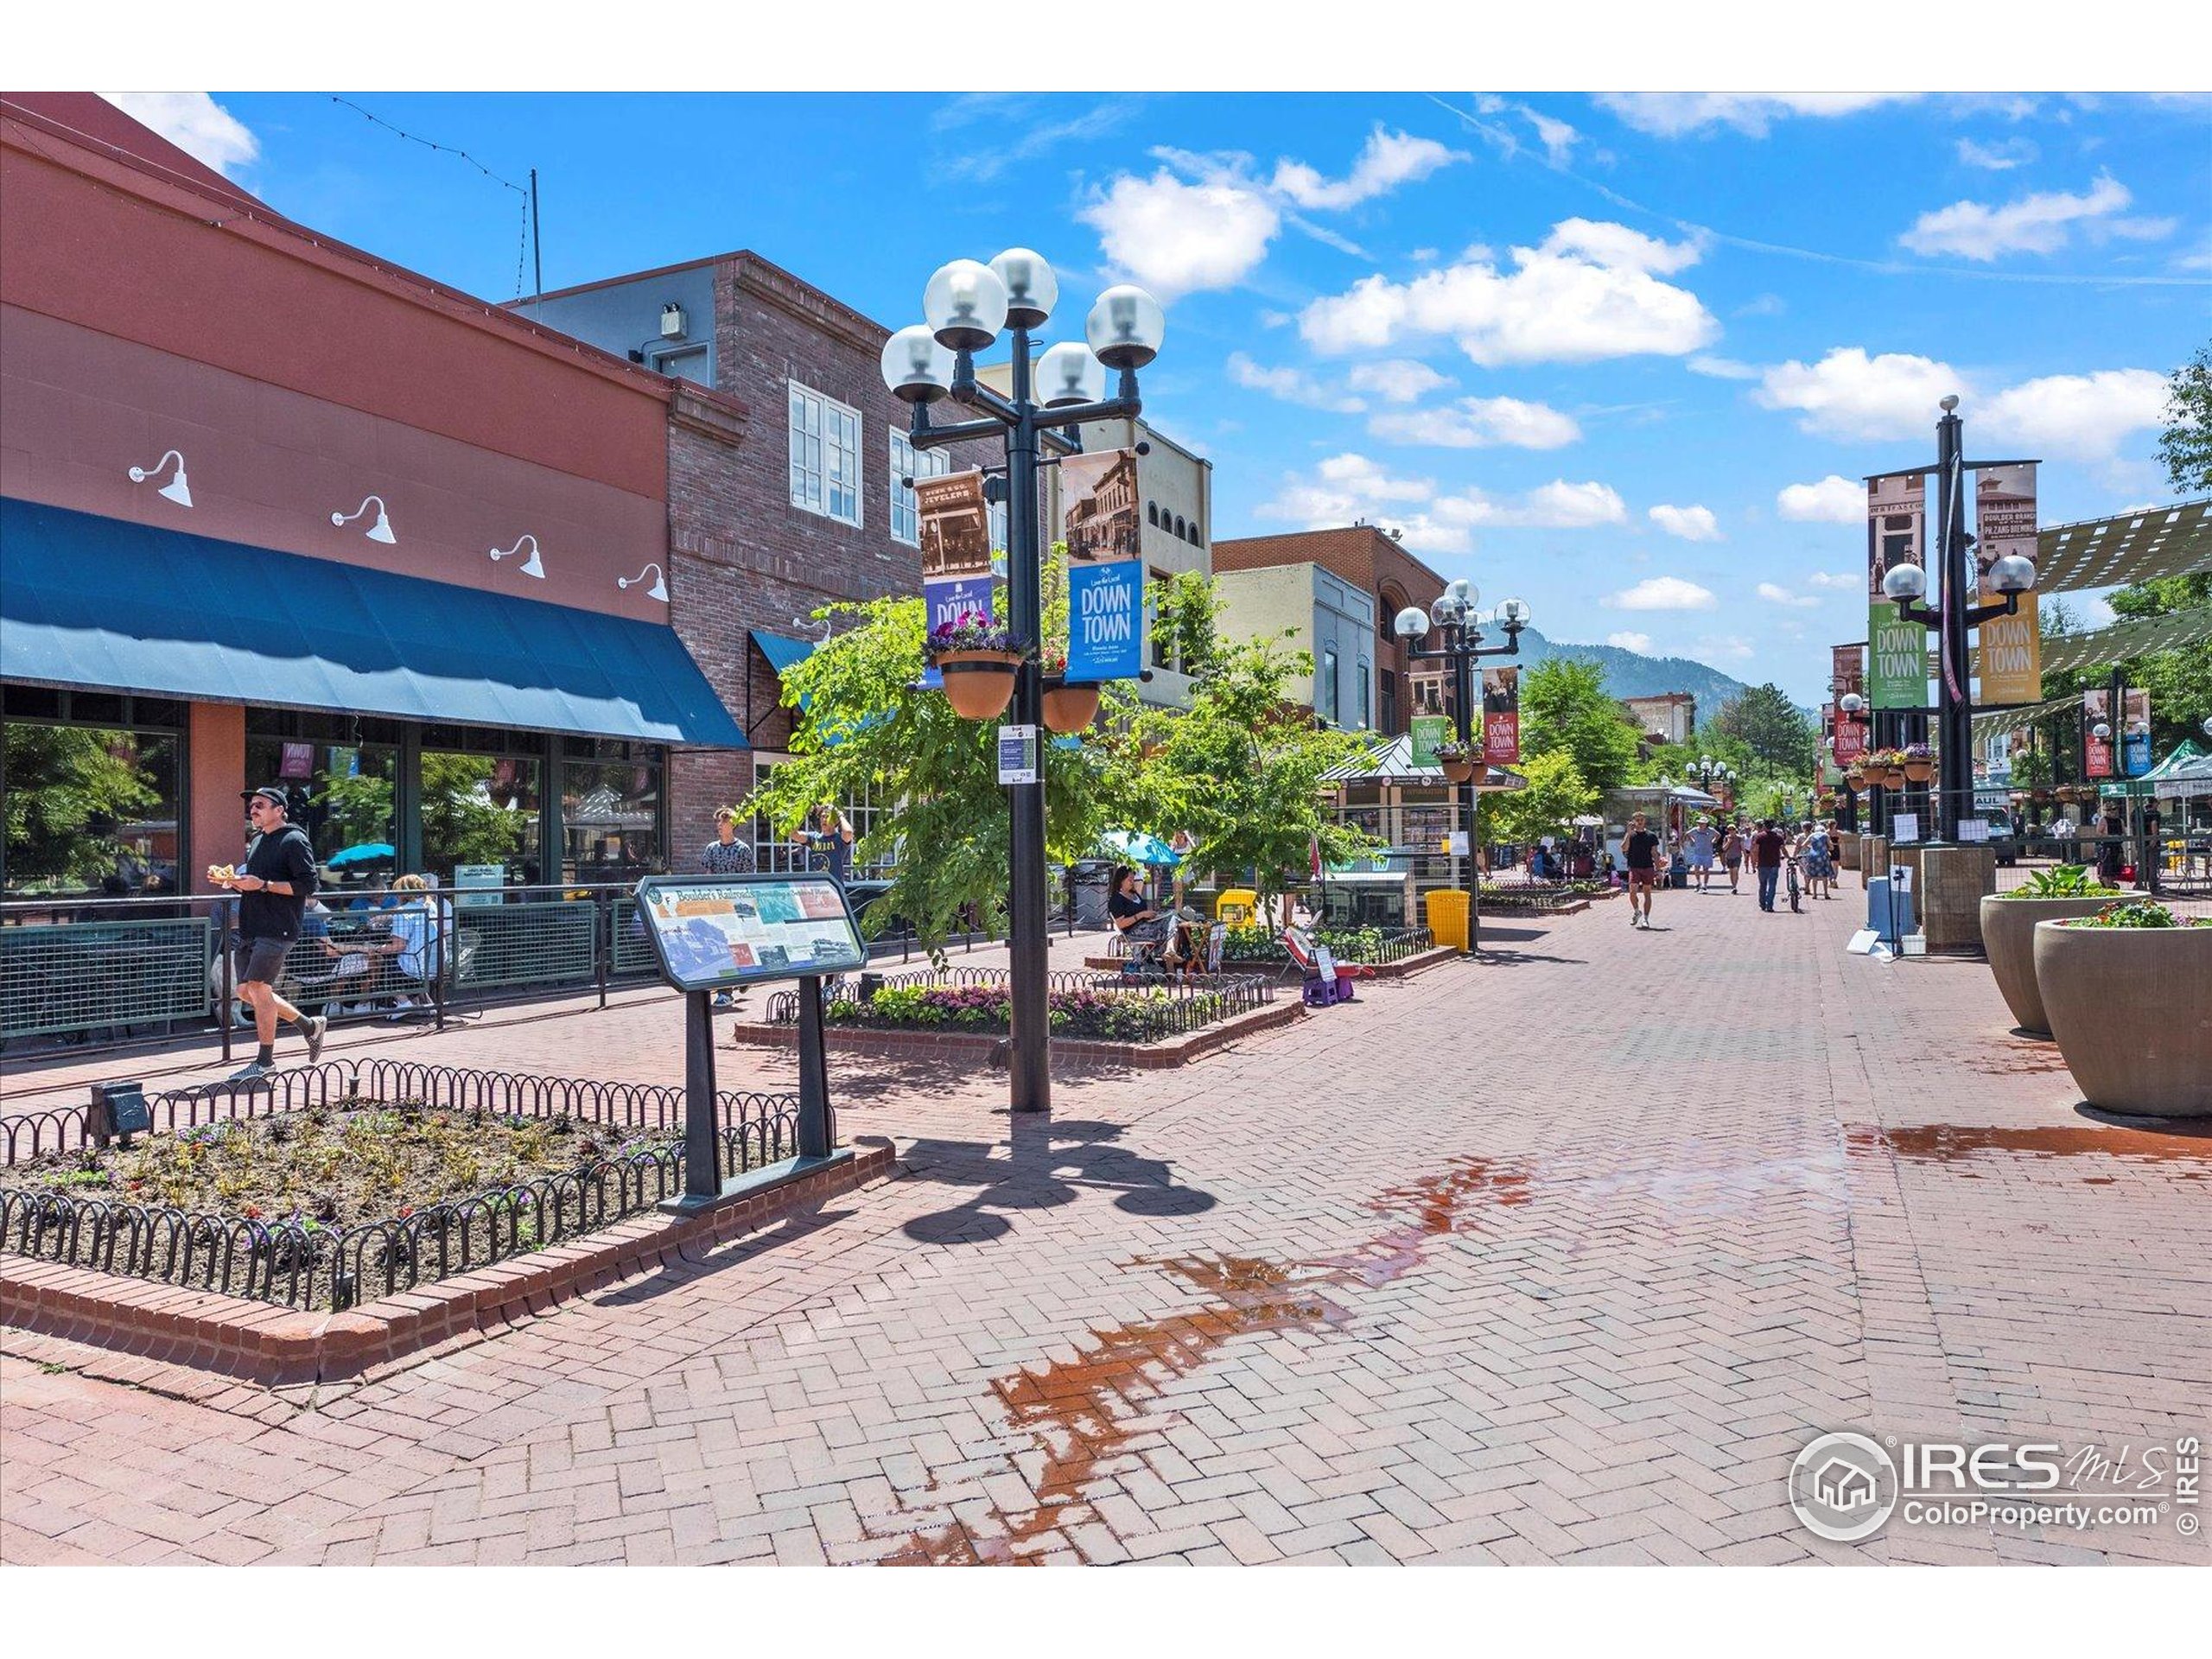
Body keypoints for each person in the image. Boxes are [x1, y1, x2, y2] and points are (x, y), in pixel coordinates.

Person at [213, 785, 326, 1081]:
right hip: (252, 925)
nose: (253, 809)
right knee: (244, 991)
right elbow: (257, 882)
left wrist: (262, 885)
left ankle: (265, 1062)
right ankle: (308, 1025)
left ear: (279, 810)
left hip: (279, 926)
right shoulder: (257, 840)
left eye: (260, 805)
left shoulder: (294, 839)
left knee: (260, 989)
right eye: (252, 805)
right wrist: (235, 882)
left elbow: (308, 886)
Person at [701, 808, 756, 1006]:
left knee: (737, 943)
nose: (719, 826)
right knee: (723, 943)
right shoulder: (712, 849)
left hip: (736, 903)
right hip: (717, 903)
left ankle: (737, 982)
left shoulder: (743, 849)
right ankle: (729, 987)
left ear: (732, 824)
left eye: (723, 822)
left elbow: (748, 879)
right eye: (718, 822)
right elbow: (707, 873)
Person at [375, 874, 442, 1019]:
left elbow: (398, 946)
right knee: (413, 958)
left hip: (417, 966)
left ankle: (403, 1001)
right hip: (438, 963)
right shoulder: (432, 906)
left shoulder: (403, 912)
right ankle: (428, 1003)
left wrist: (375, 948)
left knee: (384, 960)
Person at [1107, 863, 1181, 969]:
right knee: (1172, 924)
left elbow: (1143, 912)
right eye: (1130, 879)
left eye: (1133, 879)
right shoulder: (1116, 899)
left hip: (1147, 925)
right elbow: (1121, 924)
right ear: (1121, 881)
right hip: (1134, 931)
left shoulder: (1135, 894)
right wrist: (1141, 915)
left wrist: (1151, 915)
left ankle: (1170, 954)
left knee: (1173, 918)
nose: (1133, 882)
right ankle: (1170, 956)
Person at [796, 803, 855, 882]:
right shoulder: (813, 837)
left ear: (836, 821)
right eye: (822, 816)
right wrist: (803, 812)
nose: (824, 820)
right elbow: (792, 833)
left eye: (828, 817)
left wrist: (840, 815)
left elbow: (848, 832)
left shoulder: (839, 839)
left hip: (834, 887)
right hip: (817, 888)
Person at [1622, 812, 1661, 930]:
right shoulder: (1630, 835)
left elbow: (1654, 853)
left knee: (1647, 893)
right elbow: (1624, 848)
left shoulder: (1651, 835)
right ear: (1633, 821)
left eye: (1641, 819)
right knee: (1632, 891)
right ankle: (1637, 911)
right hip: (1634, 866)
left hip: (1648, 866)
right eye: (1637, 819)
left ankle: (1646, 918)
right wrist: (1628, 834)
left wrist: (1658, 869)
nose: (1639, 821)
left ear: (1645, 821)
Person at [1751, 818, 1789, 912]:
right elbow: (1783, 849)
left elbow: (1755, 850)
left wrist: (1755, 861)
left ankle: (1762, 903)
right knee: (1772, 885)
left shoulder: (1759, 837)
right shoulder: (1779, 837)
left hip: (1762, 864)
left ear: (1764, 826)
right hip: (1774, 864)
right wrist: (1789, 857)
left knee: (1763, 884)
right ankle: (1770, 905)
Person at [1683, 817, 1718, 893]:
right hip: (1697, 852)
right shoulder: (1695, 830)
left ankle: (1705, 885)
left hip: (1707, 853)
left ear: (1706, 824)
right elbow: (1687, 834)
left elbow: (1718, 835)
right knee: (1696, 868)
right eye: (1700, 823)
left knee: (1706, 869)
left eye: (1703, 823)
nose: (1701, 825)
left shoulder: (1710, 830)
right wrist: (1693, 840)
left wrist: (1713, 841)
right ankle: (1699, 883)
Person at [1719, 820, 1745, 895]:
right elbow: (1723, 848)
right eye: (1729, 829)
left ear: (1735, 830)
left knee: (1735, 871)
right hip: (1729, 857)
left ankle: (1735, 886)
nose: (1731, 831)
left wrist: (1746, 856)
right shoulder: (1726, 838)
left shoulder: (1740, 838)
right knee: (1731, 873)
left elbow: (1742, 847)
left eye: (1732, 829)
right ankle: (1733, 886)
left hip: (1737, 856)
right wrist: (1729, 842)